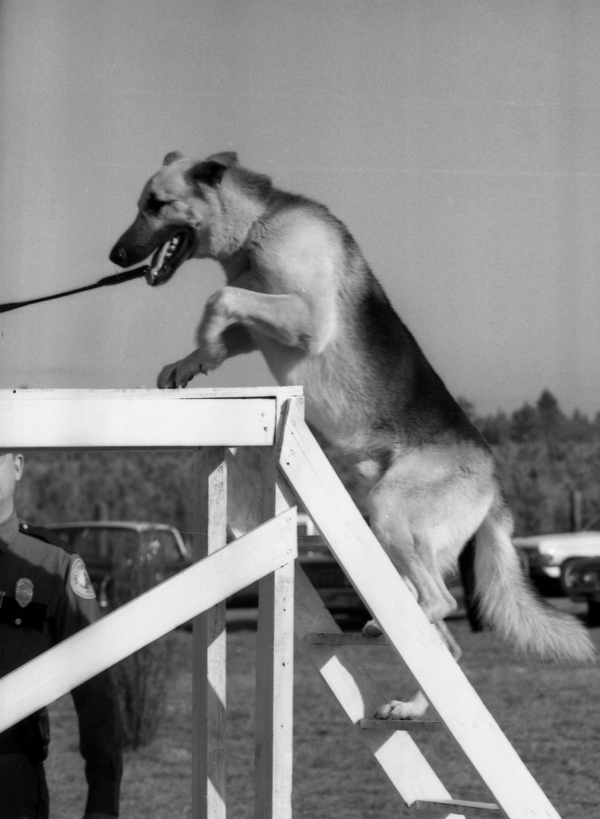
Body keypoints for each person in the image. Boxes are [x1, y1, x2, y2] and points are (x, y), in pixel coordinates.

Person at [0, 452, 123, 819]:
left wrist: (103, 800)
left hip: (10, 782)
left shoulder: (53, 564)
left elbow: (95, 687)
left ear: (17, 466)